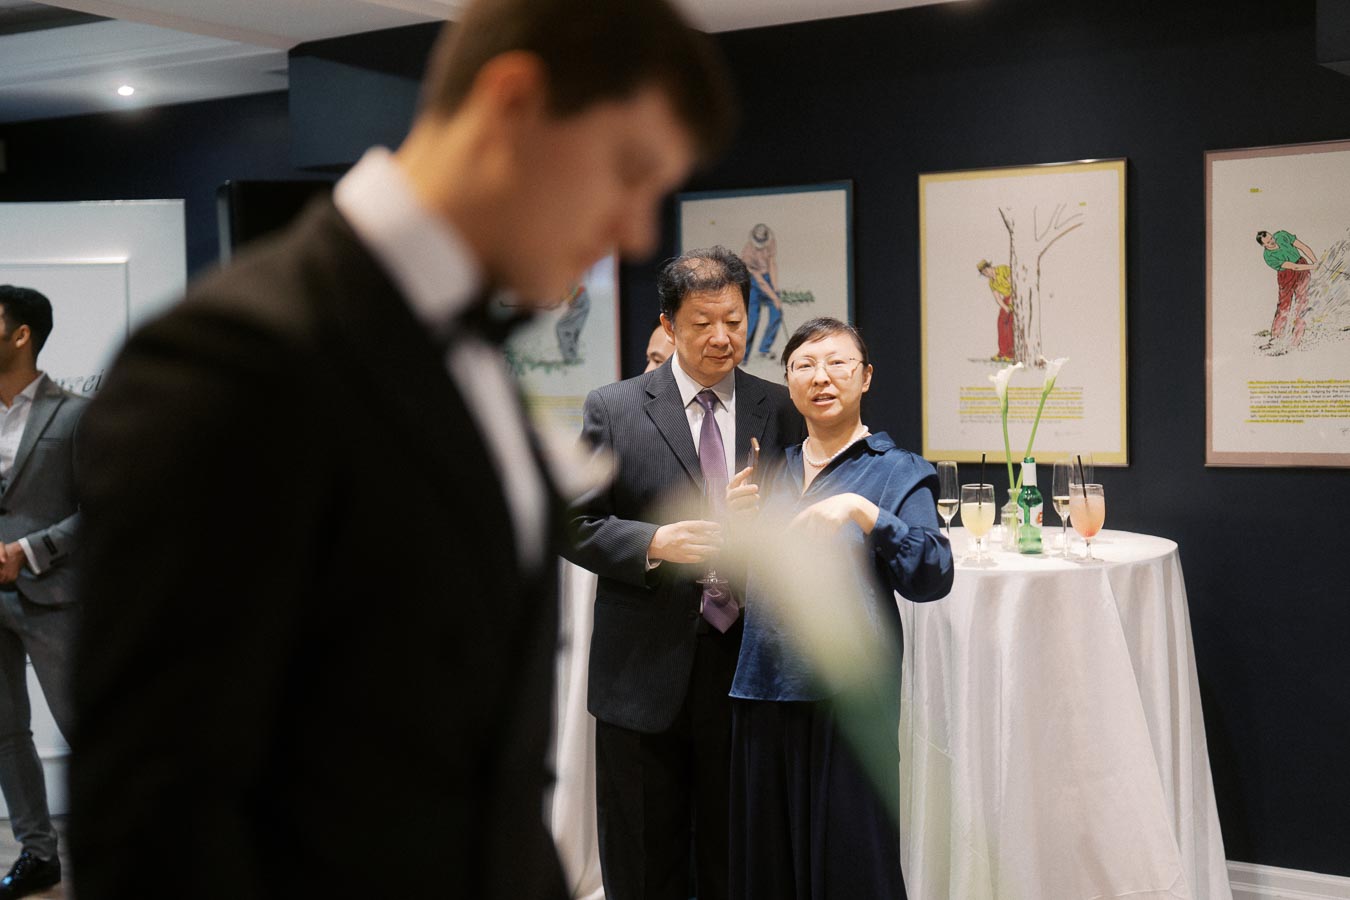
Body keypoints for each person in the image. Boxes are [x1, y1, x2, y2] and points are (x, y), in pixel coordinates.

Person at [67, 1, 735, 897]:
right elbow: (157, 829)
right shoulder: (233, 366)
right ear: (511, 105)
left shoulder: (468, 359)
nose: (637, 232)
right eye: (628, 171)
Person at [566, 247, 801, 900]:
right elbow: (571, 523)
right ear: (668, 324)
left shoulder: (777, 408)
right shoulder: (613, 409)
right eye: (703, 323)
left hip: (747, 664)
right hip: (643, 668)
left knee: (738, 853)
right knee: (644, 855)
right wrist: (655, 541)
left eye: (734, 319)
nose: (723, 337)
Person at [726, 316, 953, 899]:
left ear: (866, 377)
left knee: (854, 867)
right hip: (762, 688)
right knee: (766, 868)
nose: (820, 377)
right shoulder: (767, 470)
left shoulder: (897, 470)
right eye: (804, 365)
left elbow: (932, 574)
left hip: (850, 698)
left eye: (837, 364)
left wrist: (865, 512)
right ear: (788, 381)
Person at [0, 287, 84, 900]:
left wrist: (29, 551)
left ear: (21, 334)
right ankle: (38, 856)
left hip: (55, 595)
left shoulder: (75, 414)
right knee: (5, 733)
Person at [1256, 229, 1318, 353]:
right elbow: (1292, 266)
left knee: (1302, 303)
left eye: (1271, 238)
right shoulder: (1269, 257)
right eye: (1268, 242)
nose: (1272, 241)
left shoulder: (1282, 235)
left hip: (1302, 267)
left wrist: (1315, 261)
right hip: (1287, 275)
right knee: (1284, 306)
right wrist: (1312, 266)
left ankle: (1296, 340)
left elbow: (1303, 247)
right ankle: (1275, 339)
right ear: (1264, 245)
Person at [742, 223, 783, 359]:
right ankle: (744, 354)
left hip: (767, 278)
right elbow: (758, 279)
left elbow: (772, 264)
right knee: (752, 319)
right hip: (754, 281)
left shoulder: (771, 242)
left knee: (776, 313)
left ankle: (764, 349)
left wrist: (775, 288)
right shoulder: (748, 252)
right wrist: (774, 297)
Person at [977, 258, 1015, 361]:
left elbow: (1014, 284)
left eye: (986, 271)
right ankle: (1002, 352)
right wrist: (1005, 307)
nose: (986, 274)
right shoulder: (991, 282)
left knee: (1010, 325)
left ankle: (1010, 353)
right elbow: (998, 298)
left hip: (1015, 296)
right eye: (983, 273)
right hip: (1006, 300)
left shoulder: (1002, 269)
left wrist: (1012, 300)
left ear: (989, 267)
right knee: (1001, 323)